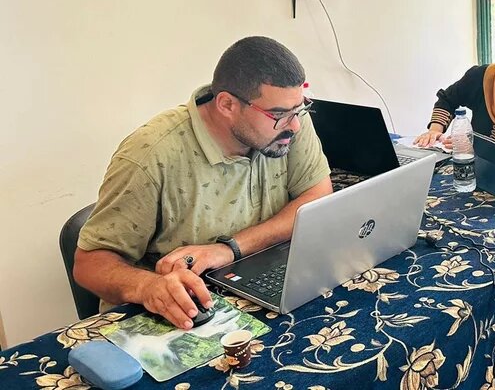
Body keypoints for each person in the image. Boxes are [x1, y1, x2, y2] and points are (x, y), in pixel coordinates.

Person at [74, 37, 333, 330]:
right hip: (179, 317)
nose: (295, 125)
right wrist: (147, 287)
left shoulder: (288, 123)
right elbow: (89, 264)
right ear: (226, 104)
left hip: (257, 288)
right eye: (278, 115)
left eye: (300, 109)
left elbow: (318, 194)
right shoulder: (151, 154)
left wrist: (229, 249)